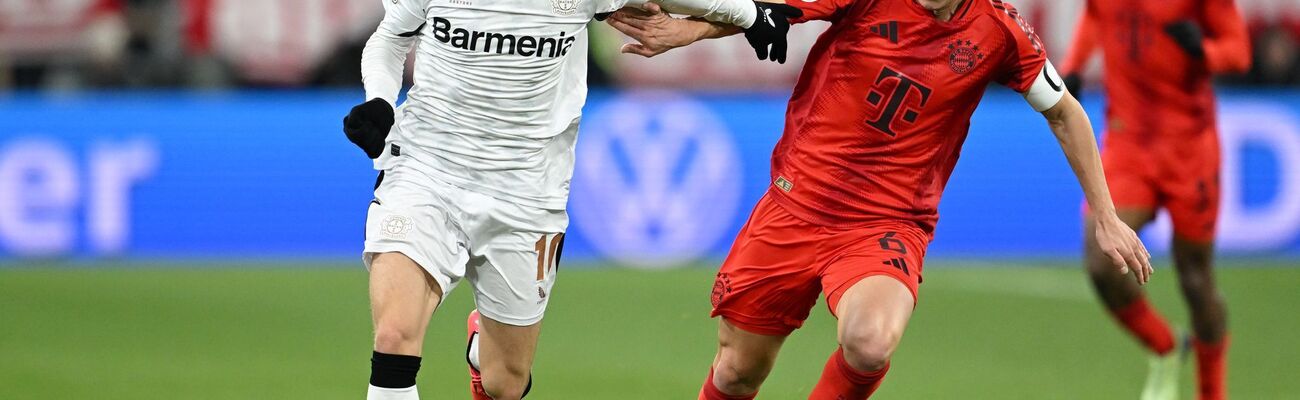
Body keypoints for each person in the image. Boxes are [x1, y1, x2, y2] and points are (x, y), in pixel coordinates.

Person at [606, 0, 1154, 398]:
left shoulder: (1000, 29)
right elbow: (771, 13)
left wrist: (1105, 216)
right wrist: (688, 30)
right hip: (797, 206)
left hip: (887, 223)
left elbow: (1064, 111)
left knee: (869, 343)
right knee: (736, 373)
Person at [340, 0, 801, 399]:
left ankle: (484, 347)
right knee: (395, 336)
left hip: (527, 190)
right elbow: (389, 37)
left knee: (507, 383)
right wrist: (380, 100)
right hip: (427, 170)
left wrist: (750, 14)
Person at [1060, 1, 1251, 399]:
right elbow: (1097, 16)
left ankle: (1212, 393)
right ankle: (1165, 346)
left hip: (1189, 149)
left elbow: (1240, 52)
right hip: (1128, 141)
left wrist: (1206, 52)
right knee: (1101, 260)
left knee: (1196, 280)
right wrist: (1074, 66)